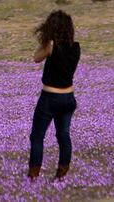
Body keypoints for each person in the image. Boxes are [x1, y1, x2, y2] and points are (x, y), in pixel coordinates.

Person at [28, 10, 80, 181]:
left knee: (37, 136)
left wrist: (46, 43)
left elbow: (36, 58)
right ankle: (62, 172)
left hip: (50, 98)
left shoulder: (51, 47)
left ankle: (33, 174)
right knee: (63, 135)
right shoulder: (76, 48)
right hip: (69, 98)